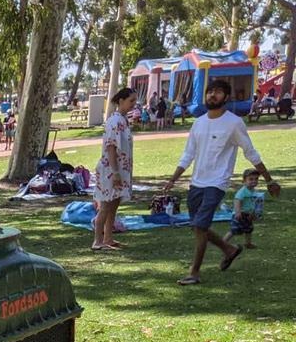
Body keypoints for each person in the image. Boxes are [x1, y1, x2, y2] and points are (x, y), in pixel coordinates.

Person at [162, 79, 280, 285]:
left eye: (217, 92)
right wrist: (173, 179)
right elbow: (188, 154)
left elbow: (250, 153)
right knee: (199, 227)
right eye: (209, 92)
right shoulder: (199, 123)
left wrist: (269, 180)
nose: (212, 95)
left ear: (226, 97)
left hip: (216, 183)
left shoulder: (234, 123)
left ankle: (194, 273)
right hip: (196, 182)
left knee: (200, 226)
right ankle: (229, 249)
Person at [92, 87, 137, 251]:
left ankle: (108, 238)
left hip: (120, 169)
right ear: (121, 101)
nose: (134, 104)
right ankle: (97, 240)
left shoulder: (123, 121)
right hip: (110, 170)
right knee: (105, 205)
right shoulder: (115, 121)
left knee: (114, 204)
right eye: (131, 101)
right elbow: (111, 147)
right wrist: (115, 172)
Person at [226, 169, 265, 249]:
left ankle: (248, 243)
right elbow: (237, 200)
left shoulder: (253, 190)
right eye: (251, 179)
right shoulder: (243, 191)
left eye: (256, 179)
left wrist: (253, 213)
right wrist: (237, 212)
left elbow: (253, 202)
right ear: (244, 181)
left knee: (249, 229)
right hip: (240, 214)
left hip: (248, 214)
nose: (254, 181)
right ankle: (223, 242)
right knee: (234, 230)